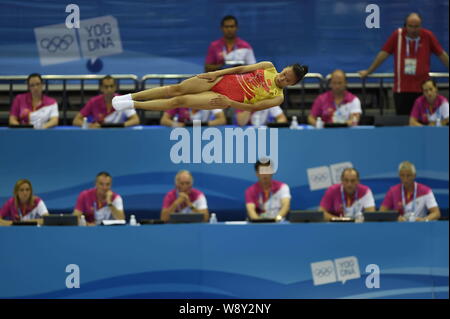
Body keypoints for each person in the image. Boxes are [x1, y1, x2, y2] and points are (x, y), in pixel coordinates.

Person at [112, 62, 308, 113]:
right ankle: (130, 96)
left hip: (222, 98)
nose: (282, 78)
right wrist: (217, 73)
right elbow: (240, 69)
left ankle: (132, 105)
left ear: (292, 84)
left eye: (287, 80)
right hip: (218, 80)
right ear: (283, 68)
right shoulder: (268, 66)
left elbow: (254, 108)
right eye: (284, 73)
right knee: (175, 89)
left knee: (178, 101)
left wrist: (229, 102)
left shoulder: (278, 97)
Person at [359, 12, 449, 115]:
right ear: (405, 25)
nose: (414, 30)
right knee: (404, 123)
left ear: (421, 25)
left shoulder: (428, 36)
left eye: (417, 26)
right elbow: (383, 54)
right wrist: (369, 71)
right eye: (411, 26)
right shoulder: (397, 35)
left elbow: (442, 55)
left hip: (423, 91)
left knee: (423, 122)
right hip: (402, 90)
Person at [73, 75, 140, 128]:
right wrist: (89, 126)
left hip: (119, 134)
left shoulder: (123, 101)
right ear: (101, 88)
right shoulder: (93, 102)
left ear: (115, 87)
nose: (109, 89)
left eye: (111, 86)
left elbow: (135, 120)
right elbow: (76, 120)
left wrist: (118, 126)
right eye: (106, 87)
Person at [160, 107, 227, 127]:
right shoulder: (179, 100)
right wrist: (180, 125)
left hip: (203, 133)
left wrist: (202, 125)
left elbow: (222, 120)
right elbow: (164, 120)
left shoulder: (210, 100)